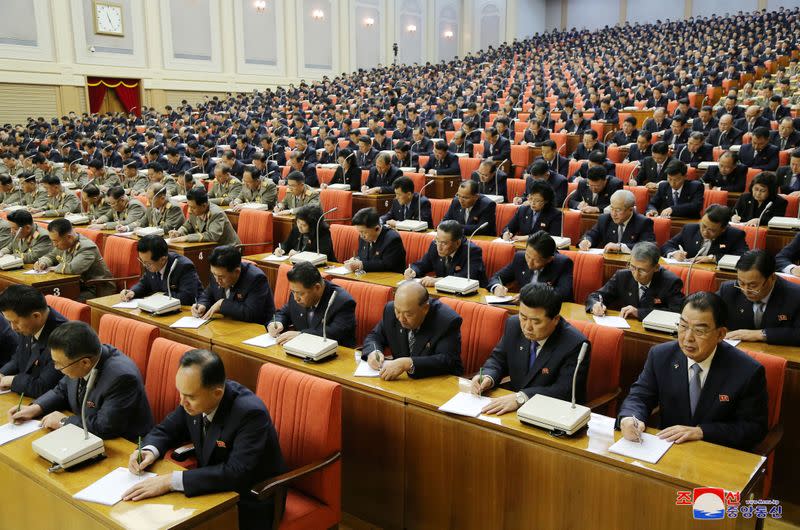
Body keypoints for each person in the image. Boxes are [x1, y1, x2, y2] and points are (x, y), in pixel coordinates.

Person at [123, 349, 285, 530]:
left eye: (190, 397)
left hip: (249, 499)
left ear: (217, 393)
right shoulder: (193, 401)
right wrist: (148, 450)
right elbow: (166, 429)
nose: (182, 402)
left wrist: (171, 481)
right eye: (180, 393)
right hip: (209, 488)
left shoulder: (250, 413)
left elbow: (236, 473)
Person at [616, 292, 768, 451]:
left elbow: (754, 428)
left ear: (721, 334)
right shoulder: (661, 356)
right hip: (668, 450)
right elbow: (640, 396)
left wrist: (702, 432)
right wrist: (629, 417)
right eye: (683, 326)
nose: (687, 338)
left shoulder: (747, 371)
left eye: (699, 331)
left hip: (718, 454)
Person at [9, 322, 154, 441]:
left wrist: (64, 422)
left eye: (60, 364)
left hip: (122, 445)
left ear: (85, 363)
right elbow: (62, 389)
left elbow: (105, 427)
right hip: (85, 434)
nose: (56, 368)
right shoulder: (80, 359)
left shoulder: (121, 378)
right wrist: (36, 407)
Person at [471, 282, 591, 415]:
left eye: (536, 321)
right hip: (514, 410)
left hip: (553, 414)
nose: (527, 327)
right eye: (523, 317)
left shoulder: (575, 343)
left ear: (555, 319)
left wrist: (521, 397)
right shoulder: (514, 324)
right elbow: (498, 360)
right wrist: (488, 376)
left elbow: (564, 391)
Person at [361, 281, 463, 380]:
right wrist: (374, 351)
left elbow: (447, 360)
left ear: (425, 309)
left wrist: (409, 363)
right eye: (398, 311)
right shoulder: (390, 310)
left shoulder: (446, 320)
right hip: (401, 381)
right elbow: (374, 336)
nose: (401, 318)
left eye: (408, 314)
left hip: (437, 383)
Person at [717, 250, 800, 346]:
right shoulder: (729, 290)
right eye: (741, 283)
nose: (745, 290)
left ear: (772, 278)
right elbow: (705, 309)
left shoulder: (795, 296)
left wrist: (761, 334)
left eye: (753, 285)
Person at [586, 242, 684, 320]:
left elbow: (676, 312)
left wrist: (639, 312)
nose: (636, 274)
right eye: (632, 267)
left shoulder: (671, 282)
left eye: (642, 270)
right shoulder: (623, 276)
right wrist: (595, 304)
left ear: (656, 268)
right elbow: (595, 296)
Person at [267, 261, 356, 347]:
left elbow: (333, 333)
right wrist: (277, 323)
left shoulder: (342, 302)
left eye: (301, 293)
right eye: (293, 292)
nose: (296, 298)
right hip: (300, 351)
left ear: (317, 287)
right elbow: (284, 313)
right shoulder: (297, 292)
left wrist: (301, 336)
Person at [0, 285, 66, 397]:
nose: (13, 327)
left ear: (36, 316)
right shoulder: (29, 324)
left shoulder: (62, 338)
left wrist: (13, 380)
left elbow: (44, 387)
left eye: (15, 322)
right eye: (9, 322)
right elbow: (18, 357)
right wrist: (2, 373)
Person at [192, 245, 274, 324]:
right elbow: (207, 295)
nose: (217, 280)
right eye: (213, 274)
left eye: (221, 277)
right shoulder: (217, 273)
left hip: (254, 329)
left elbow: (251, 313)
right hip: (226, 324)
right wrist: (202, 305)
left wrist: (222, 304)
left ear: (237, 271)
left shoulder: (256, 279)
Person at [35, 218, 115, 300]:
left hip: (96, 289)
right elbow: (51, 255)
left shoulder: (87, 247)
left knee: (60, 301)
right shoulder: (64, 242)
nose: (54, 244)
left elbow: (73, 268)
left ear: (69, 237)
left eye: (55, 241)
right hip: (76, 285)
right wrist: (43, 262)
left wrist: (53, 268)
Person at [488, 231, 574, 302]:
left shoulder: (563, 264)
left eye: (536, 260)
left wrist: (530, 295)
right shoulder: (520, 258)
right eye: (528, 256)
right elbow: (496, 277)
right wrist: (496, 287)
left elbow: (563, 294)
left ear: (549, 259)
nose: (529, 263)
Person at [120, 234, 203, 306]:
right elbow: (144, 283)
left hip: (187, 311)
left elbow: (187, 298)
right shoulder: (150, 262)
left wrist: (159, 297)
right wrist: (133, 292)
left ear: (163, 259)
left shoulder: (183, 266)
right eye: (142, 261)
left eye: (148, 263)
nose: (144, 265)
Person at [404, 220, 487, 287]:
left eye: (444, 243)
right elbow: (422, 265)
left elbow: (466, 279)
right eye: (437, 240)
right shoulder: (435, 245)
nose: (439, 247)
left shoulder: (472, 251)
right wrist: (413, 271)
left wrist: (437, 280)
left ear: (457, 243)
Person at [662, 205, 748, 264]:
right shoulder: (690, 229)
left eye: (712, 230)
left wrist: (713, 258)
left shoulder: (735, 235)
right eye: (703, 226)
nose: (705, 232)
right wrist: (674, 253)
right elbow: (667, 246)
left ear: (723, 229)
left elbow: (744, 258)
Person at [579, 189, 655, 252]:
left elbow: (648, 247)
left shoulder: (643, 222)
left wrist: (620, 247)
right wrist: (587, 241)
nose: (613, 214)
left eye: (618, 210)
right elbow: (591, 235)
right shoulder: (604, 219)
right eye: (612, 208)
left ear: (630, 210)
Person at [168, 188, 241, 246]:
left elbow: (212, 235)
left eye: (193, 208)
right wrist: (178, 233)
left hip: (229, 250)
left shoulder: (216, 214)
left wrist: (186, 238)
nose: (189, 211)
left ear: (204, 205)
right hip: (209, 248)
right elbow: (188, 225)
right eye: (189, 206)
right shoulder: (194, 210)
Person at [344, 208, 406, 273]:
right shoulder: (363, 237)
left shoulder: (392, 239)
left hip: (389, 279)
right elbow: (363, 257)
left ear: (377, 228)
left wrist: (361, 265)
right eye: (359, 232)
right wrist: (355, 260)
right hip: (369, 277)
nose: (362, 236)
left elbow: (387, 264)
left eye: (364, 232)